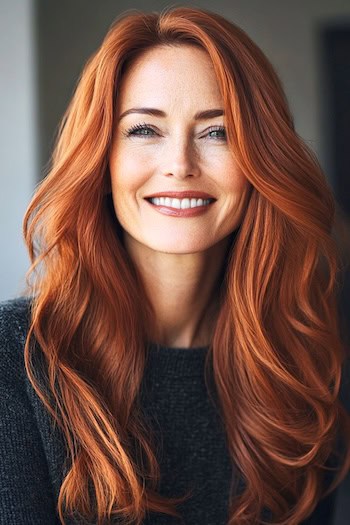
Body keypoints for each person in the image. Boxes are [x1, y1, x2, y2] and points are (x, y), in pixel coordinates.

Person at [0, 6, 349, 525]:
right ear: (102, 158)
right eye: (144, 130)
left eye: (217, 133)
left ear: (261, 161)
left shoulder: (301, 362)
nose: (180, 164)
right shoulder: (18, 356)